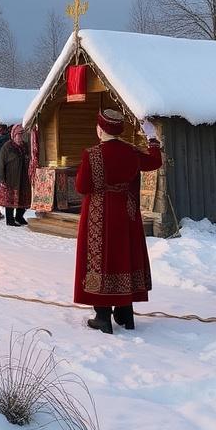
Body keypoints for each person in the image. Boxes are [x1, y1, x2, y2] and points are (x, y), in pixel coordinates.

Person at [73, 110, 163, 334]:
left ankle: (103, 317)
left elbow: (82, 187)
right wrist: (152, 139)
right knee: (125, 257)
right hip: (126, 214)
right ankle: (125, 315)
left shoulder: (92, 154)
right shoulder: (131, 151)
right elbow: (154, 161)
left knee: (100, 259)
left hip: (98, 214)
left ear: (101, 129)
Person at [0, 125, 30, 226]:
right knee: (9, 199)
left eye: (22, 135)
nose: (20, 137)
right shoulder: (7, 147)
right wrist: (2, 179)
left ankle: (19, 217)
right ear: (13, 135)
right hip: (10, 178)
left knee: (23, 199)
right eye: (18, 135)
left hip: (23, 177)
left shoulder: (25, 146)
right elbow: (1, 164)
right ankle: (10, 220)